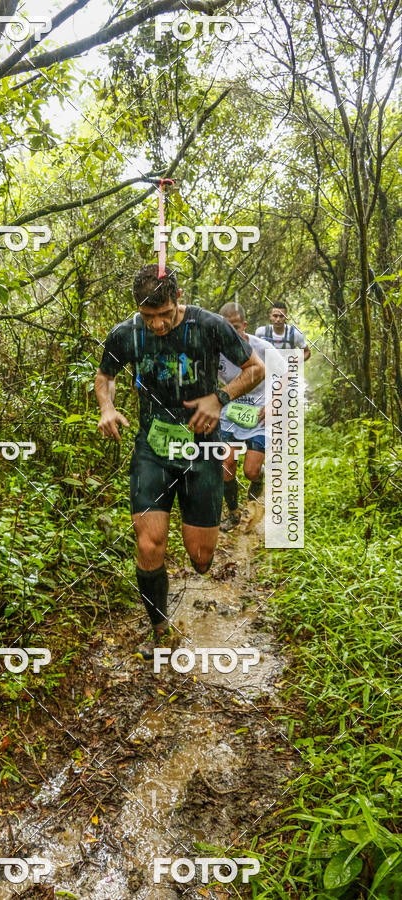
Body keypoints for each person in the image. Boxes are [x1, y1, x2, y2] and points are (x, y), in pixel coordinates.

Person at [94, 264, 265, 658]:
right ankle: (160, 630)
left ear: (178, 299)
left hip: (203, 449)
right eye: (147, 315)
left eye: (164, 314)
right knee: (149, 543)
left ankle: (198, 560)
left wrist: (219, 399)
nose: (156, 324)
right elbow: (106, 376)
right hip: (152, 449)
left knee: (201, 558)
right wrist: (106, 406)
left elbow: (254, 369)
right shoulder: (126, 333)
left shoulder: (208, 326)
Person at [217, 302, 284, 531]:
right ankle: (234, 513)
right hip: (232, 412)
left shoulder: (261, 347)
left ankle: (257, 482)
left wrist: (274, 402)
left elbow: (286, 374)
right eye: (226, 328)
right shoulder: (217, 351)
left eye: (235, 327)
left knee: (251, 470)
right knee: (226, 464)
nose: (231, 334)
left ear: (244, 326)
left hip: (260, 413)